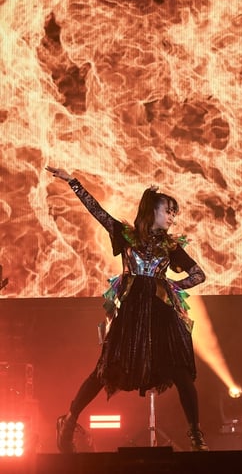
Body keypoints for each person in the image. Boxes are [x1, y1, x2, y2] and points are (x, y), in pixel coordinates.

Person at [45, 166, 209, 452]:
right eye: (167, 210)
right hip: (132, 315)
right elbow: (98, 212)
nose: (171, 217)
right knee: (104, 371)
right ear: (151, 210)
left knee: (181, 372)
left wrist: (172, 287)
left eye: (174, 213)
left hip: (161, 317)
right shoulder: (125, 235)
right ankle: (69, 420)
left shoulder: (170, 247)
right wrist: (74, 183)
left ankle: (196, 435)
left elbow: (198, 275)